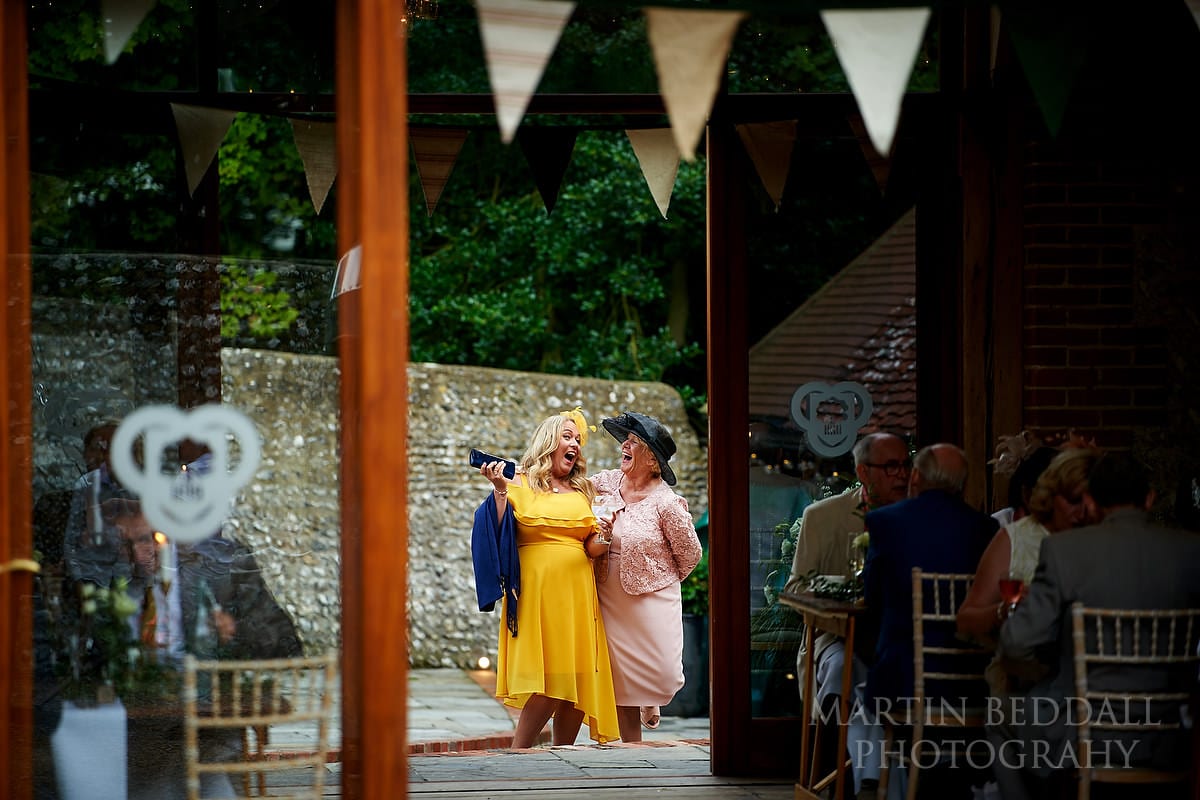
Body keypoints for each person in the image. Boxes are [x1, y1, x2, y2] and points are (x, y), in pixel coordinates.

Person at [989, 452, 1200, 800]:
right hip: (1172, 736)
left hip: (1089, 736)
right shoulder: (1190, 551)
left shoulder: (1064, 551)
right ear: (1149, 499)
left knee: (999, 715)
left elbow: (1015, 644)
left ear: (1091, 501)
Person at [849, 443, 998, 800]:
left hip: (905, 678)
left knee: (859, 681)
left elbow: (874, 599)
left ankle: (878, 785)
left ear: (916, 476)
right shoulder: (985, 528)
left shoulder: (886, 522)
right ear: (963, 484)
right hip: (974, 682)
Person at [475, 408, 620, 748]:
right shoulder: (518, 483)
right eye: (568, 437)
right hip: (536, 596)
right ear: (549, 441)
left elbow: (591, 548)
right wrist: (498, 490)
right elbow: (495, 532)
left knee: (577, 676)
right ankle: (519, 751)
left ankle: (562, 755)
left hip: (578, 596)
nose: (575, 445)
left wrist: (606, 536)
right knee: (550, 679)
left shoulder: (583, 491)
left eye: (579, 440)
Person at [588, 411, 703, 743]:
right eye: (626, 438)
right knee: (619, 676)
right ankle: (631, 749)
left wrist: (656, 576)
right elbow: (567, 494)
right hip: (608, 593)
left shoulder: (667, 504)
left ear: (652, 460)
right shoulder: (605, 482)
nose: (624, 444)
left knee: (662, 672)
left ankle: (651, 699)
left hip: (653, 594)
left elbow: (691, 554)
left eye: (634, 441)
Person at [782, 432, 912, 722]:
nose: (902, 475)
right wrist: (836, 590)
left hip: (905, 638)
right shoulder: (824, 516)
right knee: (843, 667)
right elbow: (795, 588)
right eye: (892, 466)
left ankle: (893, 759)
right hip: (839, 636)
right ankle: (845, 758)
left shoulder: (918, 516)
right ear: (863, 472)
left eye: (907, 465)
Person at [957, 447, 1101, 648]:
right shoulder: (1015, 538)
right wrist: (1004, 611)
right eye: (1074, 501)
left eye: (1093, 503)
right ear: (1051, 496)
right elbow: (965, 622)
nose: (1084, 512)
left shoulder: (1103, 540)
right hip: (1025, 666)